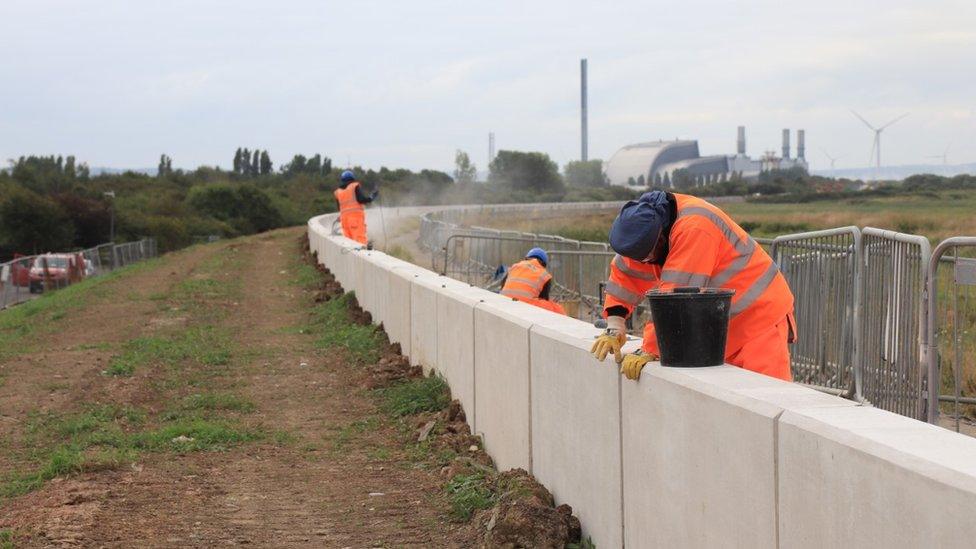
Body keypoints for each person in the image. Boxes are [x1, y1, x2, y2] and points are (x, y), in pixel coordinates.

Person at [590, 190, 796, 382]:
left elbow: (674, 300)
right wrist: (615, 325)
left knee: (763, 402)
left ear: (660, 237)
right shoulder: (644, 228)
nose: (644, 262)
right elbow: (624, 277)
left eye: (646, 256)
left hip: (760, 318)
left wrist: (650, 348)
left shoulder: (695, 228)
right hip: (722, 327)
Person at [500, 248, 566, 315]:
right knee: (557, 308)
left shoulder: (514, 267)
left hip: (505, 302)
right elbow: (544, 298)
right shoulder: (544, 274)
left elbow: (503, 287)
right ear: (544, 264)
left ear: (526, 258)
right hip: (523, 305)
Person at [333, 170, 377, 245]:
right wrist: (371, 197)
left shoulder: (338, 192)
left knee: (349, 243)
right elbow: (361, 200)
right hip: (355, 219)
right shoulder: (354, 186)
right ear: (352, 179)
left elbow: (339, 208)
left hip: (344, 221)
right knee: (360, 241)